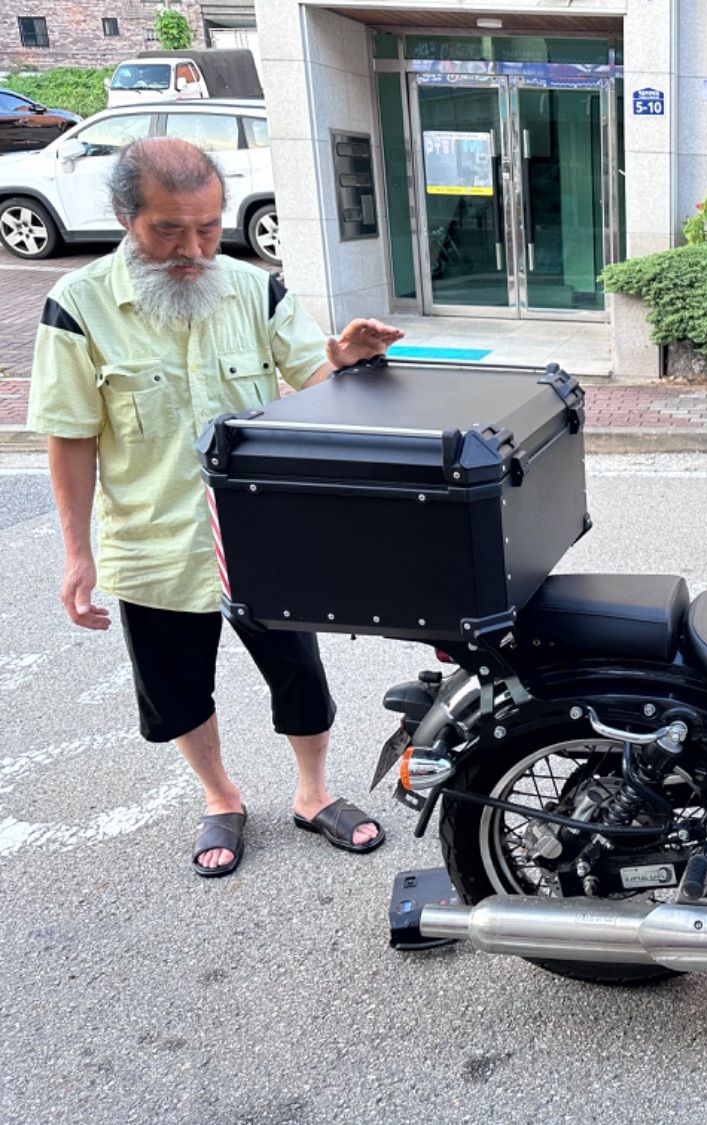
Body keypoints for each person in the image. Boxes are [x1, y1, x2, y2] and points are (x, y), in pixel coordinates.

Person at [27, 136, 405, 878]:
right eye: (169, 229)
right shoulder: (79, 305)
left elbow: (314, 375)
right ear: (125, 217)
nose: (193, 249)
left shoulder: (254, 289)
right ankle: (221, 796)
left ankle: (312, 792)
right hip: (154, 539)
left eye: (206, 227)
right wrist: (77, 553)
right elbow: (70, 436)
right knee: (176, 685)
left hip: (262, 534)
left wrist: (345, 358)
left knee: (298, 671)